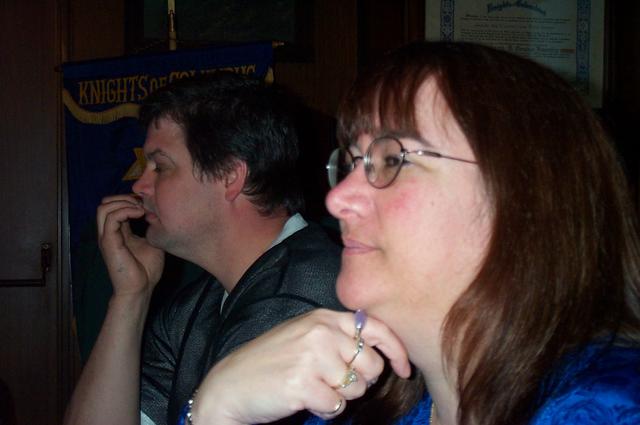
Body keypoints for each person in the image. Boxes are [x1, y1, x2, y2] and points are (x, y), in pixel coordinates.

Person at [181, 41, 640, 425]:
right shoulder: (351, 411)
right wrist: (216, 409)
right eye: (351, 162)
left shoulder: (612, 408)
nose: (338, 198)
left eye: (393, 160)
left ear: (526, 199)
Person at [63, 72, 343, 425]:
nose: (140, 185)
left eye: (160, 167)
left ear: (230, 176)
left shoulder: (306, 295)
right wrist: (131, 297)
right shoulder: (198, 303)